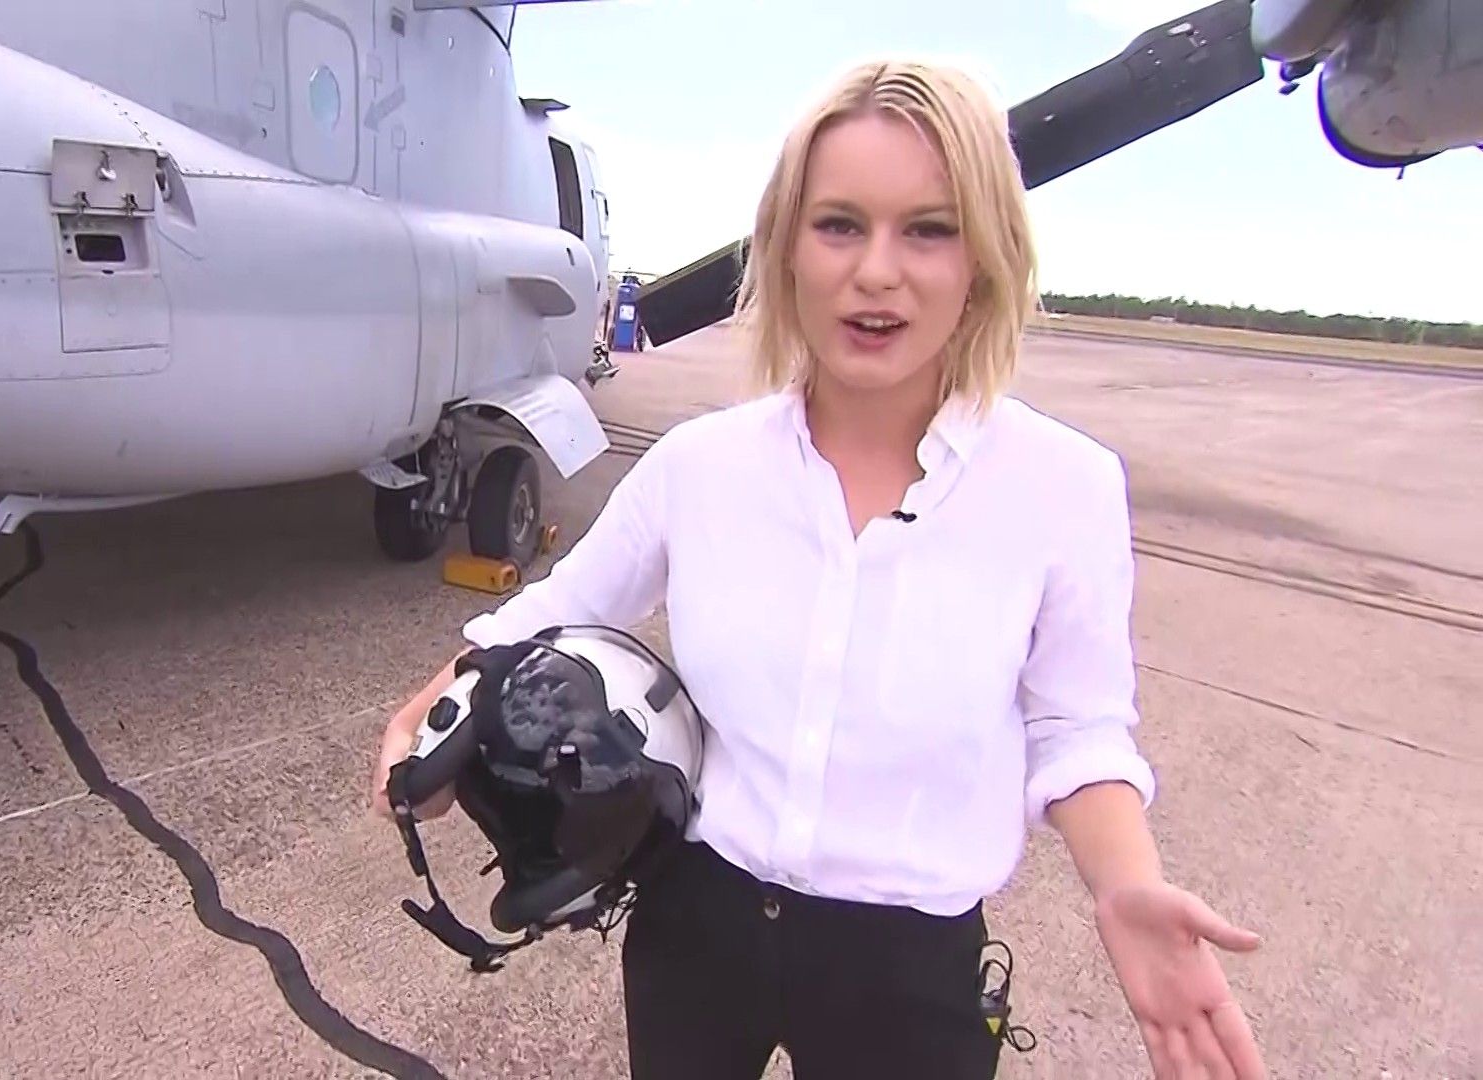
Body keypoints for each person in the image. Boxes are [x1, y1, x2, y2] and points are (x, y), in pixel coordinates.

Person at [370, 58, 1265, 1080]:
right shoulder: (700, 466)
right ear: (787, 247)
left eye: (928, 229)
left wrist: (1125, 886)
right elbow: (553, 611)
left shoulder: (1066, 488)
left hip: (909, 963)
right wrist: (427, 715)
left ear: (984, 258)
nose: (877, 271)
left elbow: (1079, 730)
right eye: (840, 224)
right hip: (697, 919)